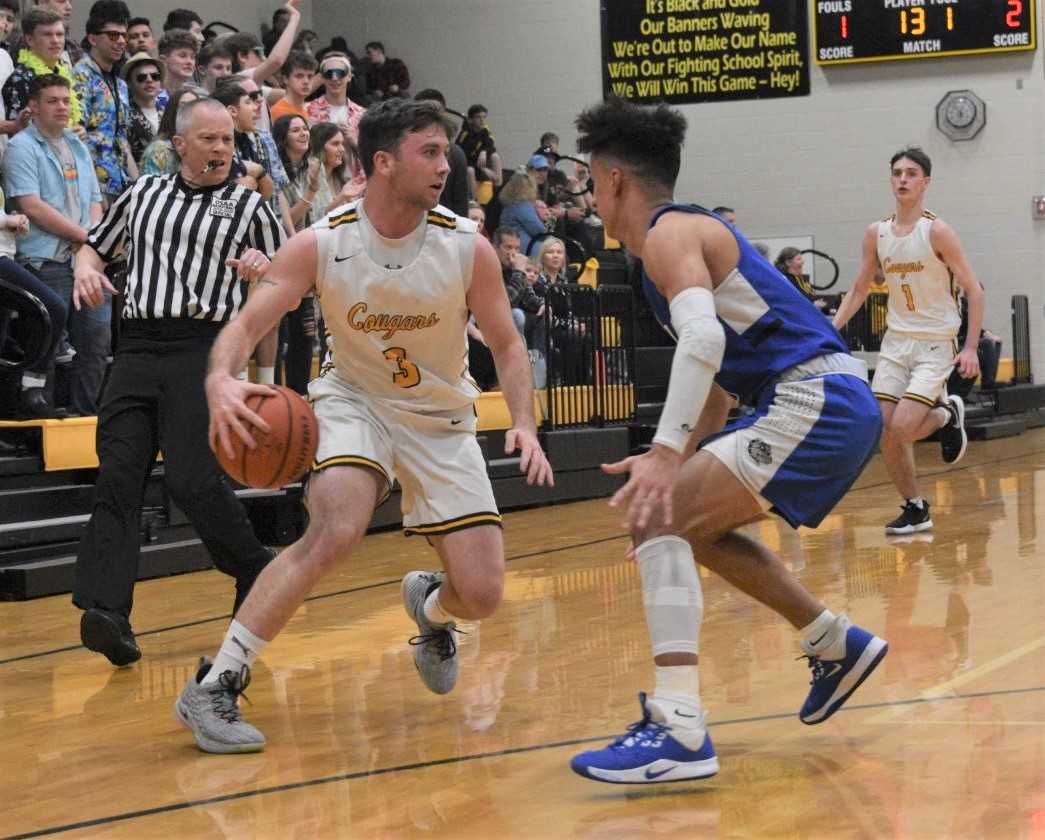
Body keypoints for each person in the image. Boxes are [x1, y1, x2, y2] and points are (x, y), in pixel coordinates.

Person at [174, 97, 554, 753]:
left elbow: (509, 345)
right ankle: (217, 682)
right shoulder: (322, 242)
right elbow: (247, 323)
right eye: (428, 152)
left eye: (445, 152)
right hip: (353, 401)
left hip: (439, 416)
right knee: (335, 530)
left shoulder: (468, 247)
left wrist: (523, 420)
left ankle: (431, 609)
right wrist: (219, 377)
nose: (445, 165)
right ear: (382, 162)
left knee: (484, 595)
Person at [566, 98, 888, 784]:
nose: (591, 197)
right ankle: (832, 641)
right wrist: (675, 465)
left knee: (660, 516)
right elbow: (710, 380)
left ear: (614, 180)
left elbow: (705, 342)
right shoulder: (680, 241)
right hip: (819, 397)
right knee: (685, 525)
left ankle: (678, 728)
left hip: (811, 398)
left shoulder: (667, 234)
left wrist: (660, 458)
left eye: (592, 180)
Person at [69, 97, 285, 667]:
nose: (221, 149)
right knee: (118, 474)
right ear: (180, 144)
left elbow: (288, 282)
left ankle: (252, 566)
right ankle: (108, 612)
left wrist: (265, 276)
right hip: (136, 347)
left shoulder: (251, 207)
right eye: (210, 139)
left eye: (227, 141)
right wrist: (87, 268)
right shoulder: (143, 194)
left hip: (204, 350)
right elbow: (94, 245)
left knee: (192, 480)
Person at [832, 147, 982, 535]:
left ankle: (948, 415)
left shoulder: (937, 231)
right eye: (897, 172)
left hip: (935, 342)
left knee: (901, 427)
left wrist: (969, 347)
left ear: (925, 183)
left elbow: (975, 291)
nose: (902, 179)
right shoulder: (876, 233)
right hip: (897, 342)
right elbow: (859, 288)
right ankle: (915, 508)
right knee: (882, 428)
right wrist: (831, 329)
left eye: (911, 173)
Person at [5, 74, 104, 417]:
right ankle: (39, 420)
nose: (62, 107)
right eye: (52, 101)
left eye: (66, 100)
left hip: (85, 259)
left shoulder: (77, 144)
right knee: (47, 338)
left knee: (96, 336)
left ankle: (87, 413)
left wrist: (88, 243)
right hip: (44, 258)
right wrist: (84, 238)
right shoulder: (21, 147)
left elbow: (94, 199)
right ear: (32, 107)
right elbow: (31, 205)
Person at [74, 1, 135, 204]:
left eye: (124, 35)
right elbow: (77, 135)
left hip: (122, 185)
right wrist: (93, 193)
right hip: (93, 187)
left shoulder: (121, 84)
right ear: (92, 38)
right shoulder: (81, 75)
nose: (120, 41)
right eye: (112, 35)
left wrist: (138, 184)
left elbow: (122, 140)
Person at [122, 51, 163, 165]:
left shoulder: (168, 111)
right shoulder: (123, 115)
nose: (149, 80)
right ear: (129, 83)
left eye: (155, 76)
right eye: (141, 77)